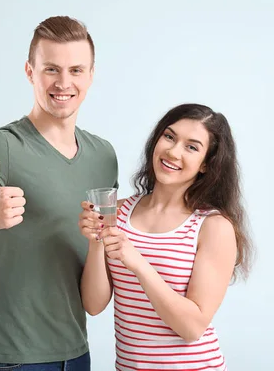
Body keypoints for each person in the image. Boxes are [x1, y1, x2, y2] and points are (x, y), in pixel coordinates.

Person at [0, 16, 119, 370]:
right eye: (51, 69)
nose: (64, 82)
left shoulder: (103, 156)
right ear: (30, 72)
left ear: (91, 75)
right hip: (9, 359)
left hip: (76, 354)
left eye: (76, 70)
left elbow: (96, 285)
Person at [78, 103, 253, 370]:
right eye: (169, 137)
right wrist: (95, 242)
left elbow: (192, 327)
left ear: (206, 164)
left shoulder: (213, 226)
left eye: (191, 147)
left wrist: (138, 263)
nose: (173, 151)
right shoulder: (119, 211)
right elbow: (93, 304)